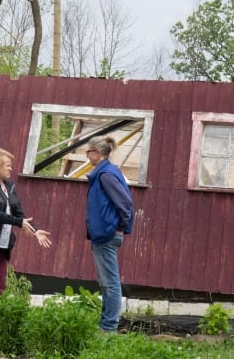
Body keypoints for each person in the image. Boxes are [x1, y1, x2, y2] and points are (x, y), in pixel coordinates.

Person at [0, 148, 52, 306]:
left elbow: (19, 214)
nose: (10, 168)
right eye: (7, 165)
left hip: (2, 245)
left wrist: (35, 229)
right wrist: (18, 222)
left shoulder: (10, 187)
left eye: (10, 165)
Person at [84, 136, 134, 332]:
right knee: (105, 283)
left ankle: (108, 328)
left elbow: (125, 203)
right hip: (104, 234)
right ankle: (105, 325)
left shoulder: (105, 175)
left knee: (110, 283)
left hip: (107, 235)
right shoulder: (106, 173)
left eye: (88, 152)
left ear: (97, 153)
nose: (87, 155)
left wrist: (115, 226)